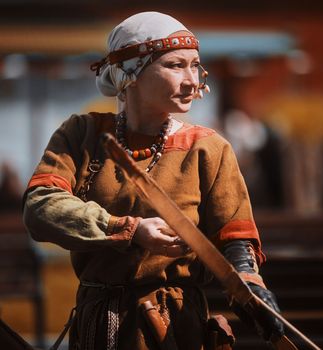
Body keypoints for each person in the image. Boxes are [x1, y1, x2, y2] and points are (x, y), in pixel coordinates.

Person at [23, 11, 283, 350]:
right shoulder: (82, 134)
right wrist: (129, 229)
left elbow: (235, 239)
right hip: (99, 325)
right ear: (131, 73)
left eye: (195, 66)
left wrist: (249, 286)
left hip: (178, 328)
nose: (192, 80)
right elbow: (40, 207)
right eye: (176, 65)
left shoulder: (208, 147)